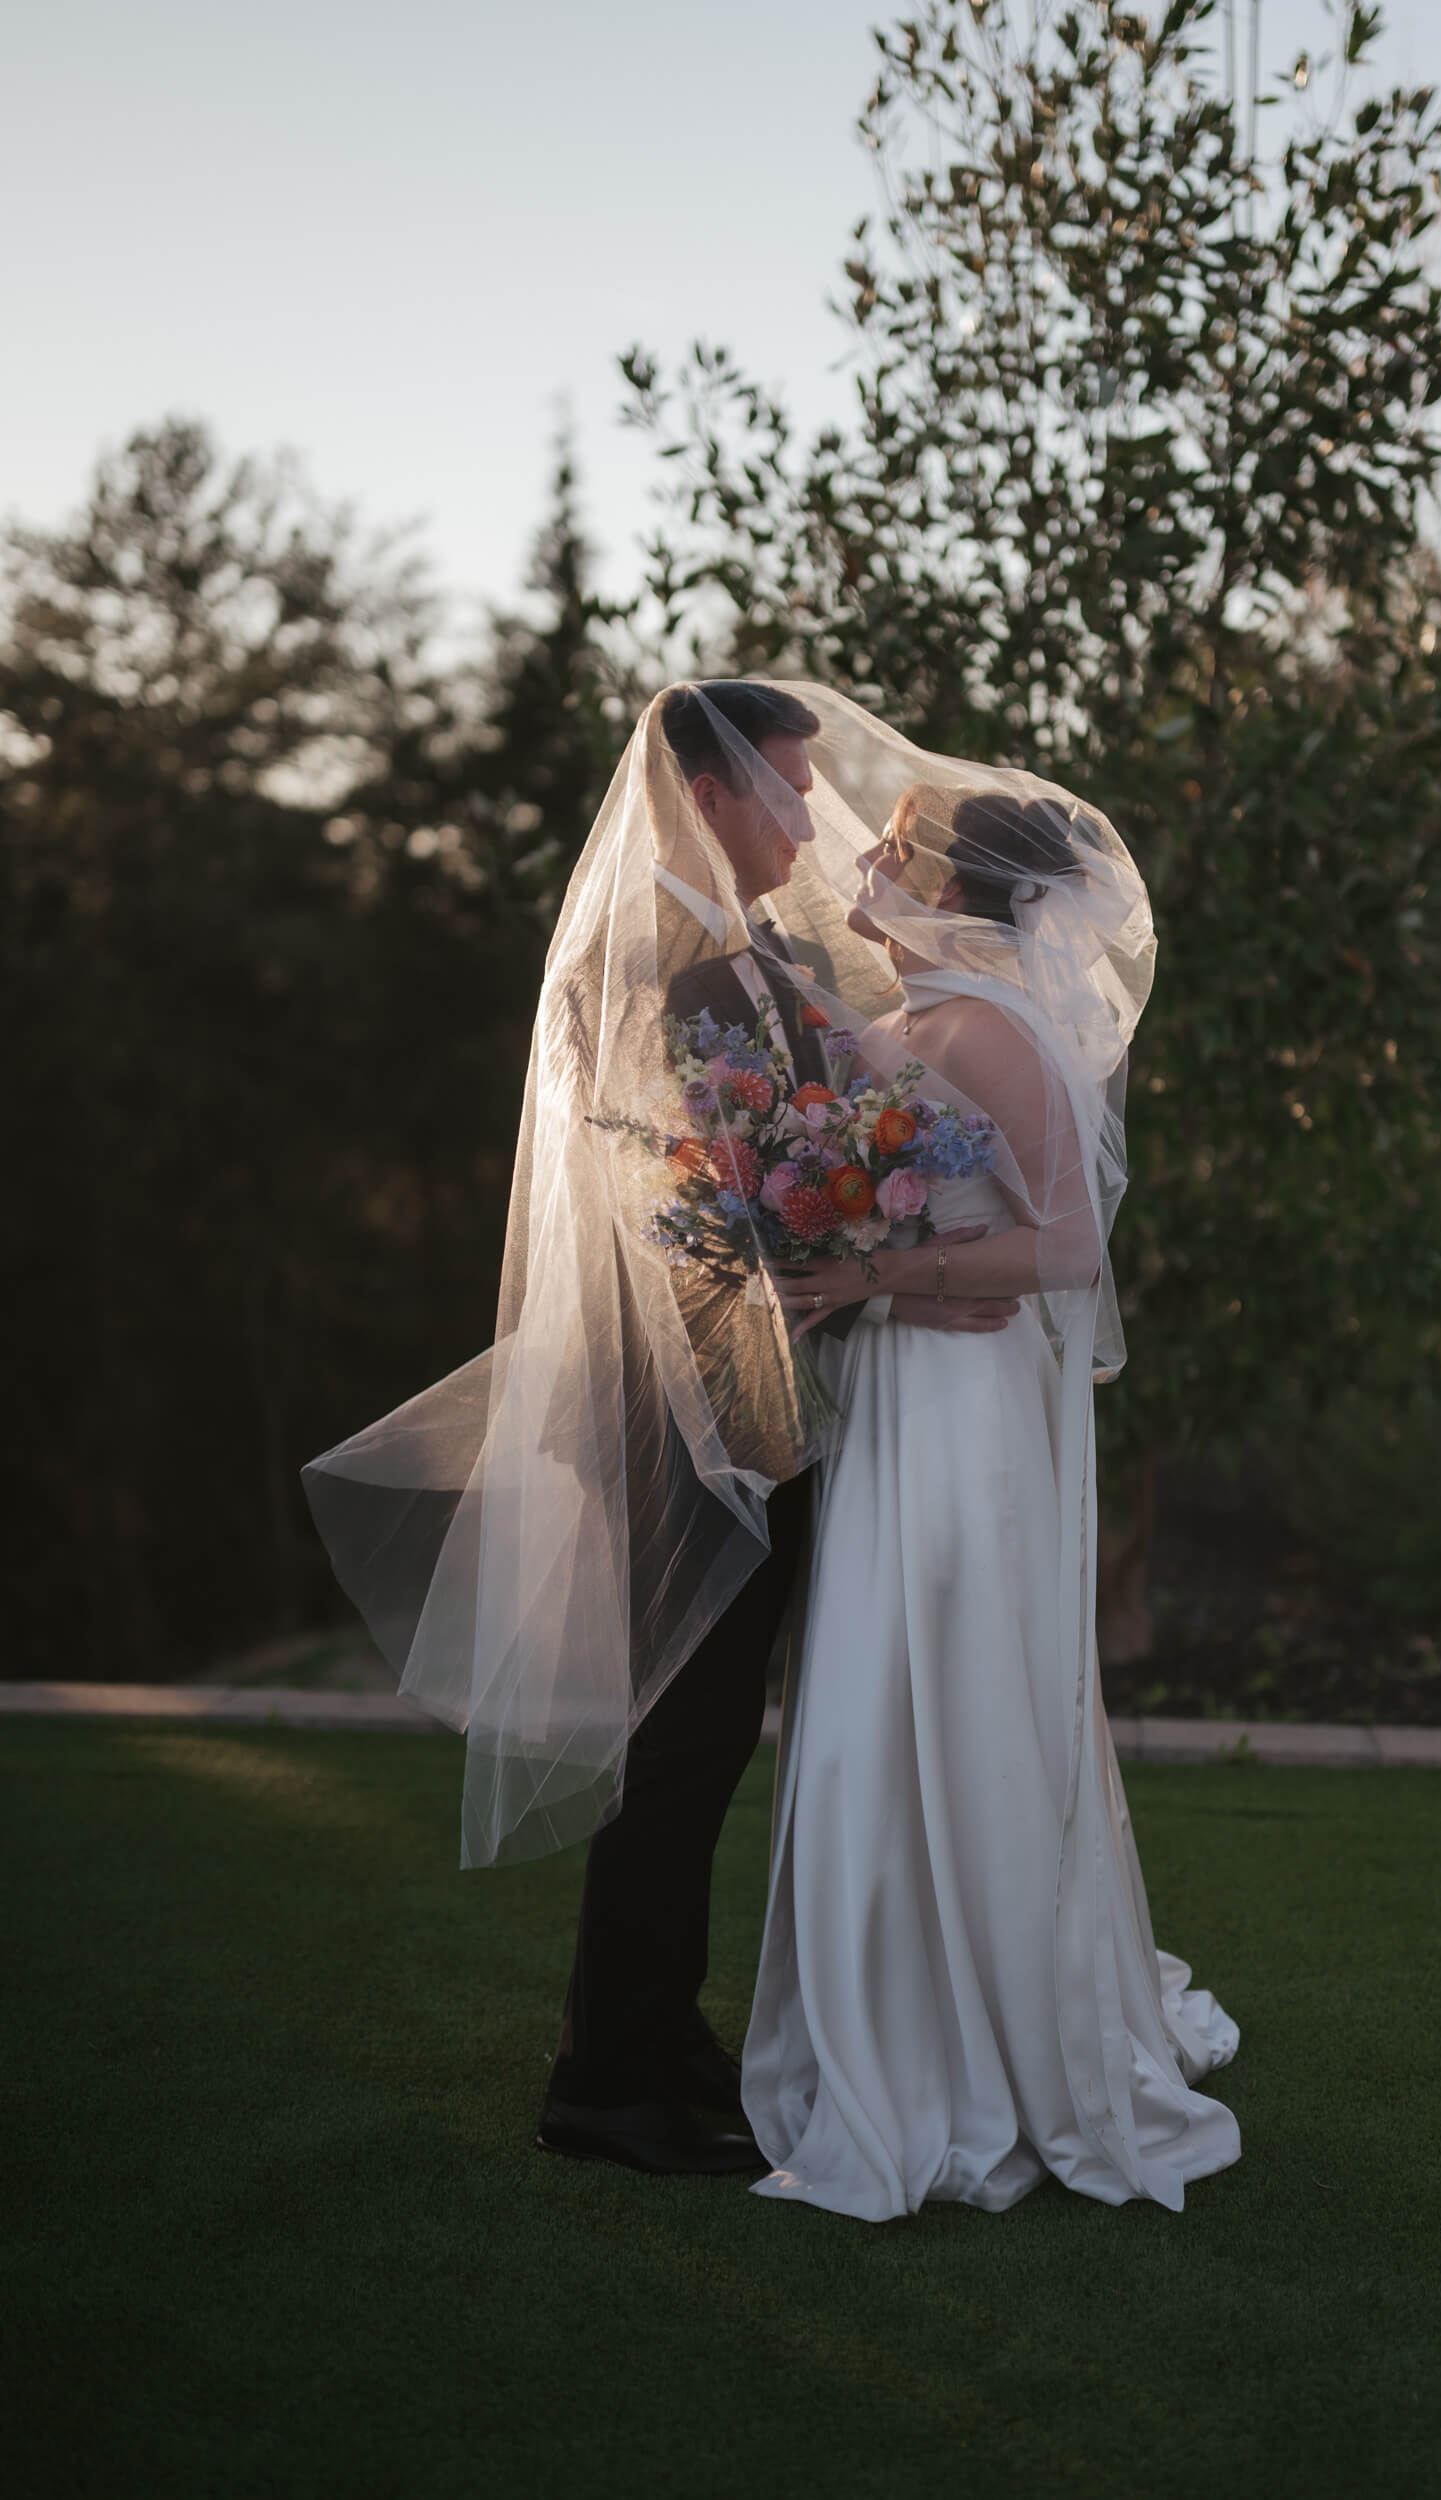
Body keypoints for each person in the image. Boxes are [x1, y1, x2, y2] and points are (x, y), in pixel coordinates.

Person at [302, 681, 1021, 2179]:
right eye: (789, 787)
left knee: (709, 1745)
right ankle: (604, 2084)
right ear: (707, 789)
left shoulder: (753, 951)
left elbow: (801, 1158)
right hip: (679, 1411)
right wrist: (867, 1267)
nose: (809, 819)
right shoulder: (651, 969)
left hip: (757, 1402)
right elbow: (696, 1213)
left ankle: (660, 2030)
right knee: (676, 1745)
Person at [746, 775, 1242, 2218]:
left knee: (958, 1687)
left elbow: (1068, 1249)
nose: (865, 869)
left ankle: (987, 2049)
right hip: (905, 1395)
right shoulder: (909, 1020)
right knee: (875, 1704)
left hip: (963, 1410)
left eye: (894, 856)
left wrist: (877, 1274)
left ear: (960, 889)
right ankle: (897, 2014)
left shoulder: (1003, 1029)